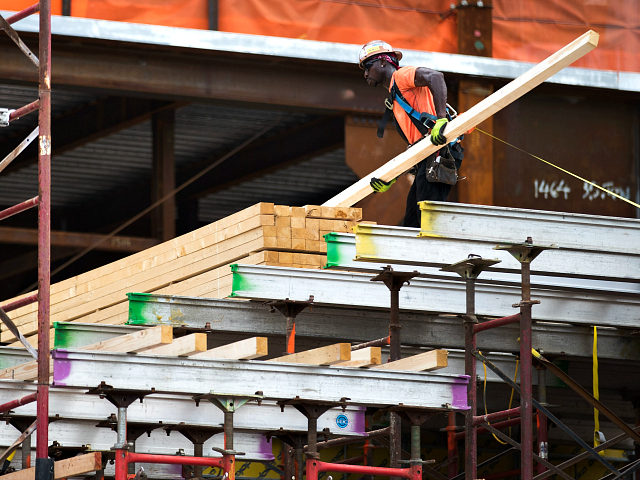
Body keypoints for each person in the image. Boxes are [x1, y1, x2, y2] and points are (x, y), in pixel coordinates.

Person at [358, 40, 464, 228]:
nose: (365, 73)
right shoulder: (394, 96)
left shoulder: (401, 76)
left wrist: (441, 120)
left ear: (383, 62)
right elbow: (417, 144)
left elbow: (435, 77)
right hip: (427, 156)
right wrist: (393, 176)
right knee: (413, 222)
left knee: (426, 222)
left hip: (438, 152)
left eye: (368, 66)